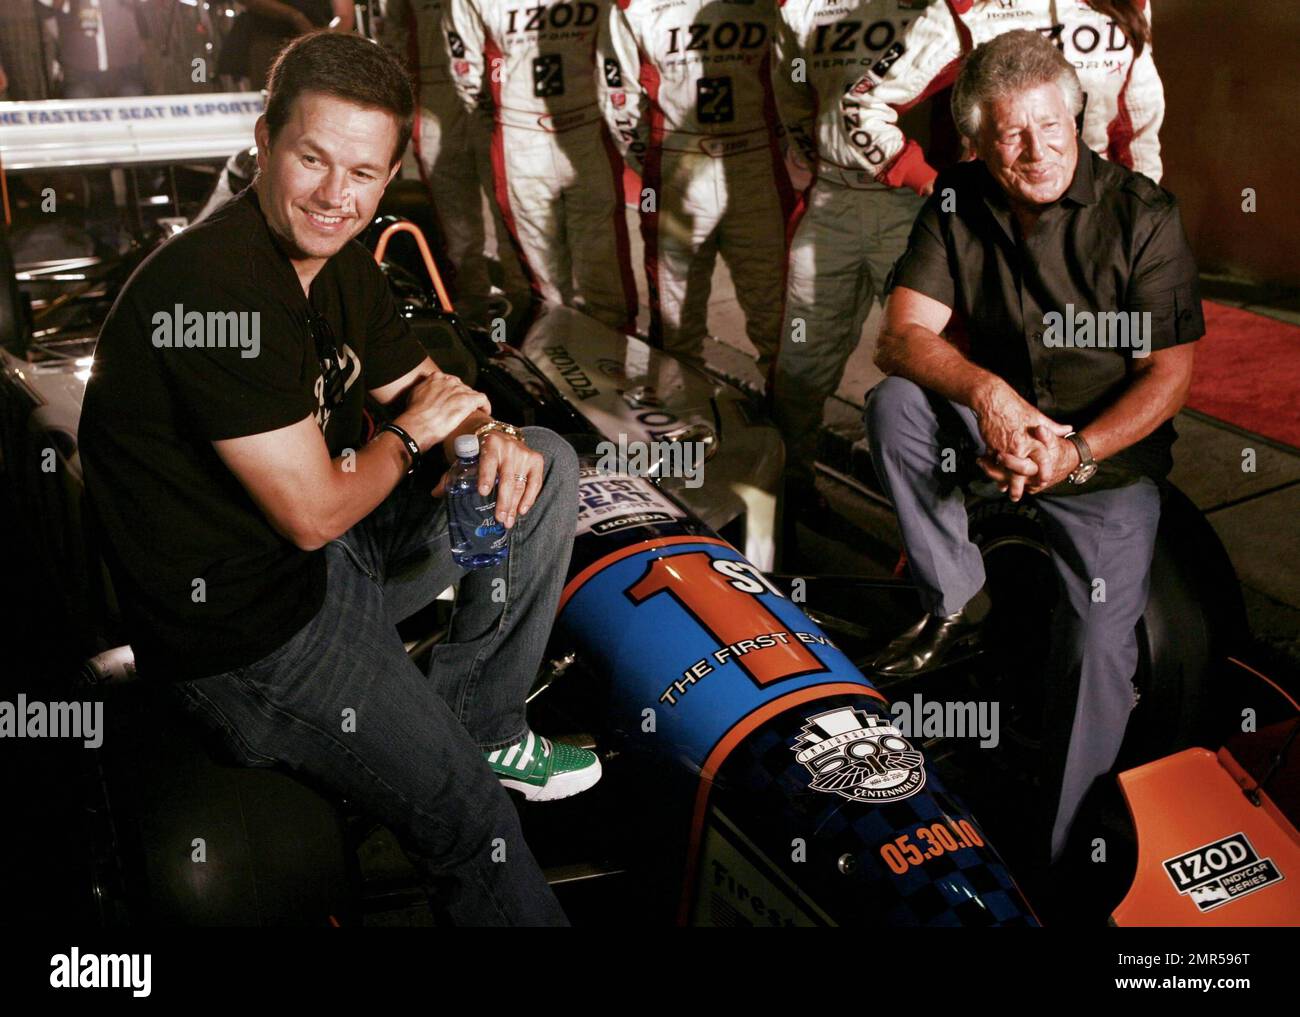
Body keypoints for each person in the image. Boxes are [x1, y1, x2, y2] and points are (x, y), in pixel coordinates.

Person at [79, 31, 598, 926]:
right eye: (312, 159)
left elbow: (431, 389)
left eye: (362, 174)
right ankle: (467, 777)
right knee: (478, 827)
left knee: (543, 463)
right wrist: (411, 431)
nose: (334, 195)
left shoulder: (339, 261)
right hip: (248, 639)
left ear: (390, 175)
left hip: (332, 564)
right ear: (264, 141)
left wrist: (490, 428)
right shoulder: (213, 289)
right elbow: (316, 511)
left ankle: (483, 720)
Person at [863, 30, 1202, 864]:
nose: (1038, 149)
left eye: (1052, 125)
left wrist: (1074, 451)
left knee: (1093, 653)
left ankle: (1056, 856)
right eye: (1011, 134)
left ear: (1076, 115)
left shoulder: (1143, 213)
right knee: (896, 403)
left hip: (1104, 463)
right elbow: (900, 339)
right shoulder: (955, 199)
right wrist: (988, 393)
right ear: (977, 141)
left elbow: (1170, 375)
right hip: (1001, 426)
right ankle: (957, 599)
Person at [770, 0, 932, 513]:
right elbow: (790, 95)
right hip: (833, 199)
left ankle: (927, 529)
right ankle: (789, 493)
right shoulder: (801, 8)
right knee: (800, 365)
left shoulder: (935, 9)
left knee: (928, 367)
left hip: (913, 210)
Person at [597, 0, 794, 368]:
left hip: (755, 168)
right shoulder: (630, 7)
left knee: (777, 320)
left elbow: (794, 79)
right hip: (677, 169)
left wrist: (782, 147)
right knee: (675, 328)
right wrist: (652, 160)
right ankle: (684, 419)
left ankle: (788, 423)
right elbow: (617, 98)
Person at [443, 0, 637, 331]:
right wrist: (500, 119)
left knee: (604, 271)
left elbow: (619, 53)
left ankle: (613, 363)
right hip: (521, 135)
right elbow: (466, 68)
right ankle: (550, 362)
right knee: (541, 281)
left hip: (586, 129)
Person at [839, 0, 1165, 194]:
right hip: (1000, 218)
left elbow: (1138, 129)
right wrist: (925, 181)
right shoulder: (968, 7)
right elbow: (860, 104)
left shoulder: (1127, 3)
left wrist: (1141, 209)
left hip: (1098, 211)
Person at [380, 0, 530, 325]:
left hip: (496, 93)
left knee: (511, 206)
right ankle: (472, 305)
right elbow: (392, 38)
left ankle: (524, 302)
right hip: (434, 95)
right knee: (454, 215)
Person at [38, 0, 147, 98]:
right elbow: (48, 10)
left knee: (133, 103)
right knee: (80, 104)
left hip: (126, 70)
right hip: (79, 74)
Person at [242, 0, 355, 90]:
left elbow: (344, 15)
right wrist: (294, 16)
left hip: (318, 46)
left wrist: (326, 39)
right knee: (272, 95)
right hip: (269, 39)